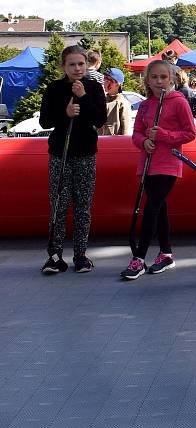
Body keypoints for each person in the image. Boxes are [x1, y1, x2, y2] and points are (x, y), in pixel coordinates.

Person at [121, 59, 196, 280]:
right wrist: (144, 141)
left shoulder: (179, 101)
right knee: (160, 207)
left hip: (169, 163)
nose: (159, 81)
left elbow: (189, 133)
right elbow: (136, 133)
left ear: (172, 79)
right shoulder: (145, 105)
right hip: (147, 163)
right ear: (147, 80)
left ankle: (139, 257)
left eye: (163, 77)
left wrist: (164, 135)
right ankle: (166, 253)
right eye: (154, 77)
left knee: (152, 206)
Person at [39, 45, 107, 274]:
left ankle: (81, 254)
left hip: (86, 153)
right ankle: (55, 255)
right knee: (58, 203)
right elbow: (45, 121)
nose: (77, 68)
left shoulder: (94, 88)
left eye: (81, 64)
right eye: (72, 64)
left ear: (86, 65)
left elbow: (99, 119)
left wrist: (83, 97)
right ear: (63, 67)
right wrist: (65, 113)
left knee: (83, 206)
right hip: (61, 153)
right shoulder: (55, 88)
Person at [99, 67, 132, 135]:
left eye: (107, 81)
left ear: (117, 84)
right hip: (101, 142)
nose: (104, 84)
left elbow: (126, 129)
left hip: (115, 143)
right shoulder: (101, 101)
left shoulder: (123, 103)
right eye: (104, 81)